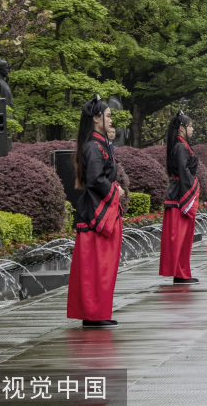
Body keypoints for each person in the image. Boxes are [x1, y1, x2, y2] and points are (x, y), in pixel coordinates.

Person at [67, 95, 123, 329]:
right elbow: (95, 179)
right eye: (108, 116)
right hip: (96, 212)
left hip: (103, 209)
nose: (111, 120)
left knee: (104, 266)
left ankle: (99, 311)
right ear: (97, 118)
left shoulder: (99, 144)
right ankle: (92, 314)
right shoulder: (93, 146)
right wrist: (114, 191)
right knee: (95, 267)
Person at [159, 109, 200, 285]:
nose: (192, 129)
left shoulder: (181, 145)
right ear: (182, 128)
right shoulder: (181, 146)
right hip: (180, 195)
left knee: (183, 238)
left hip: (179, 192)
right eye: (189, 126)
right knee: (180, 238)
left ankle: (182, 271)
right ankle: (180, 272)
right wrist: (189, 193)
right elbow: (183, 171)